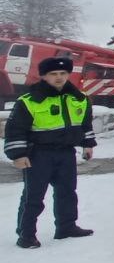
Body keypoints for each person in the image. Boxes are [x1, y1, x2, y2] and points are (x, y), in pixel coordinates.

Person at [6, 56, 97, 248]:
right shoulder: (29, 101)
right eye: (53, 74)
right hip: (39, 154)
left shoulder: (79, 98)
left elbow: (85, 124)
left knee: (67, 192)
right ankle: (26, 234)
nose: (59, 77)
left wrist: (88, 144)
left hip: (66, 153)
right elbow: (15, 130)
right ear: (44, 76)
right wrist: (18, 155)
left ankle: (66, 227)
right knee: (33, 197)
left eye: (63, 73)